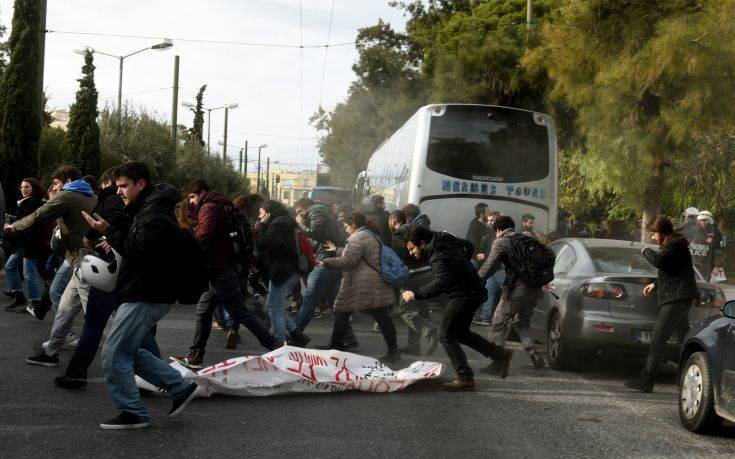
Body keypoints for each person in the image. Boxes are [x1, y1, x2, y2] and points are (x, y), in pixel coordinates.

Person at [85, 161, 199, 429]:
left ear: (141, 184)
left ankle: (134, 412)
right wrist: (110, 231)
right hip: (142, 291)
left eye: (123, 186)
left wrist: (109, 232)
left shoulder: (155, 216)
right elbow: (136, 245)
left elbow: (140, 252)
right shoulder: (146, 210)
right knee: (128, 351)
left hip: (147, 294)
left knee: (114, 354)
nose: (119, 192)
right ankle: (179, 387)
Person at [171, 180, 281, 369]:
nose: (190, 201)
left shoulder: (209, 207)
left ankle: (275, 346)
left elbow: (204, 235)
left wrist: (186, 251)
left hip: (220, 269)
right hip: (221, 267)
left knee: (239, 311)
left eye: (192, 196)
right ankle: (195, 356)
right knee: (204, 311)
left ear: (202, 193)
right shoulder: (222, 204)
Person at [54, 168, 140, 388]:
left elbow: (120, 231)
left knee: (105, 329)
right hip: (113, 270)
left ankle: (166, 382)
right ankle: (74, 371)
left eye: (122, 186)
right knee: (102, 326)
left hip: (109, 269)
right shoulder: (128, 203)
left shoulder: (111, 200)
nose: (119, 191)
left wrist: (101, 236)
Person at [402, 225, 510, 391]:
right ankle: (499, 355)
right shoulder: (443, 238)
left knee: (445, 334)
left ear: (422, 243)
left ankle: (465, 378)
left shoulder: (438, 254)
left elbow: (440, 283)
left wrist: (415, 295)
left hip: (465, 293)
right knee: (461, 333)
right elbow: (468, 245)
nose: (411, 253)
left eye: (412, 249)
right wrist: (462, 265)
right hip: (471, 290)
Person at [5, 166, 96, 323]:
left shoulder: (67, 195)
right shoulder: (90, 195)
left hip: (78, 256)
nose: (54, 187)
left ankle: (122, 343)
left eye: (56, 183)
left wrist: (14, 226)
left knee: (90, 307)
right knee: (58, 292)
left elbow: (39, 215)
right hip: (78, 255)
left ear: (67, 181)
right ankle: (57, 341)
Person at [624, 216, 698, 393]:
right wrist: (655, 284)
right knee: (683, 339)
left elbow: (659, 261)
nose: (653, 238)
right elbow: (673, 270)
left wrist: (645, 251)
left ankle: (646, 380)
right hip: (679, 297)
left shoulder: (676, 246)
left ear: (663, 233)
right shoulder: (674, 246)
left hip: (677, 298)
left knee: (658, 338)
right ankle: (690, 377)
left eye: (654, 234)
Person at [317, 212, 400, 362]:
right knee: (345, 312)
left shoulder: (357, 237)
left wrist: (326, 262)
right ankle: (336, 345)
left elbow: (348, 260)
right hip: (370, 282)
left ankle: (394, 352)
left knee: (379, 316)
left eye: (347, 226)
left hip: (364, 283)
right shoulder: (369, 235)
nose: (346, 230)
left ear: (354, 225)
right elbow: (358, 256)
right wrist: (337, 250)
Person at [478, 215, 546, 372]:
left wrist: (472, 281)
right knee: (522, 323)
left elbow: (488, 267)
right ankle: (534, 353)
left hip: (516, 290)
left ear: (499, 229)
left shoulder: (501, 241)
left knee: (498, 324)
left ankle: (498, 363)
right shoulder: (529, 238)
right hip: (535, 289)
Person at [292, 198, 356, 346]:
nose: (300, 215)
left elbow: (315, 232)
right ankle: (348, 338)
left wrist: (301, 223)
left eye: (300, 212)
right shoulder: (322, 212)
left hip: (324, 262)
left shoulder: (317, 211)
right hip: (330, 262)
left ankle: (294, 334)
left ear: (304, 207)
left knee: (309, 300)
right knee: (334, 304)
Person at [254, 199, 310, 345]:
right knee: (272, 306)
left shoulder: (278, 224)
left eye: (261, 213)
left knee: (273, 308)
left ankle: (280, 342)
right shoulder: (284, 222)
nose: (259, 216)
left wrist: (260, 227)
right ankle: (297, 335)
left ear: (268, 213)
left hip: (284, 270)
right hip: (287, 269)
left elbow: (262, 244)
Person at [389, 210, 438, 355]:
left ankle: (429, 331)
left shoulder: (398, 234)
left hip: (412, 275)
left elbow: (399, 256)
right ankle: (413, 346)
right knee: (420, 311)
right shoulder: (418, 229)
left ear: (393, 221)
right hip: (427, 272)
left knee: (405, 310)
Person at [3, 178, 48, 312]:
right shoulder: (26, 202)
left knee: (28, 272)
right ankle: (18, 296)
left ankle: (35, 303)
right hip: (24, 243)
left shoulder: (33, 202)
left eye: (27, 187)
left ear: (33, 188)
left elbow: (28, 224)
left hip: (30, 243)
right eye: (22, 187)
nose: (23, 189)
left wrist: (12, 229)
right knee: (10, 266)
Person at [474, 211, 505, 326]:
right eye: (488, 220)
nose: (489, 222)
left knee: (508, 294)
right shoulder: (491, 233)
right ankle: (485, 317)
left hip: (501, 269)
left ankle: (511, 318)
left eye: (492, 220)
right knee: (488, 291)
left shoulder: (500, 233)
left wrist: (484, 256)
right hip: (494, 270)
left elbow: (498, 253)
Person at [689, 211, 724, 281]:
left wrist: (706, 244)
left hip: (710, 258)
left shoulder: (715, 231)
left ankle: (716, 280)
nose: (702, 222)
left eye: (704, 220)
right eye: (701, 220)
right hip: (697, 259)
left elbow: (717, 246)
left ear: (709, 220)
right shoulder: (696, 230)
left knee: (714, 283)